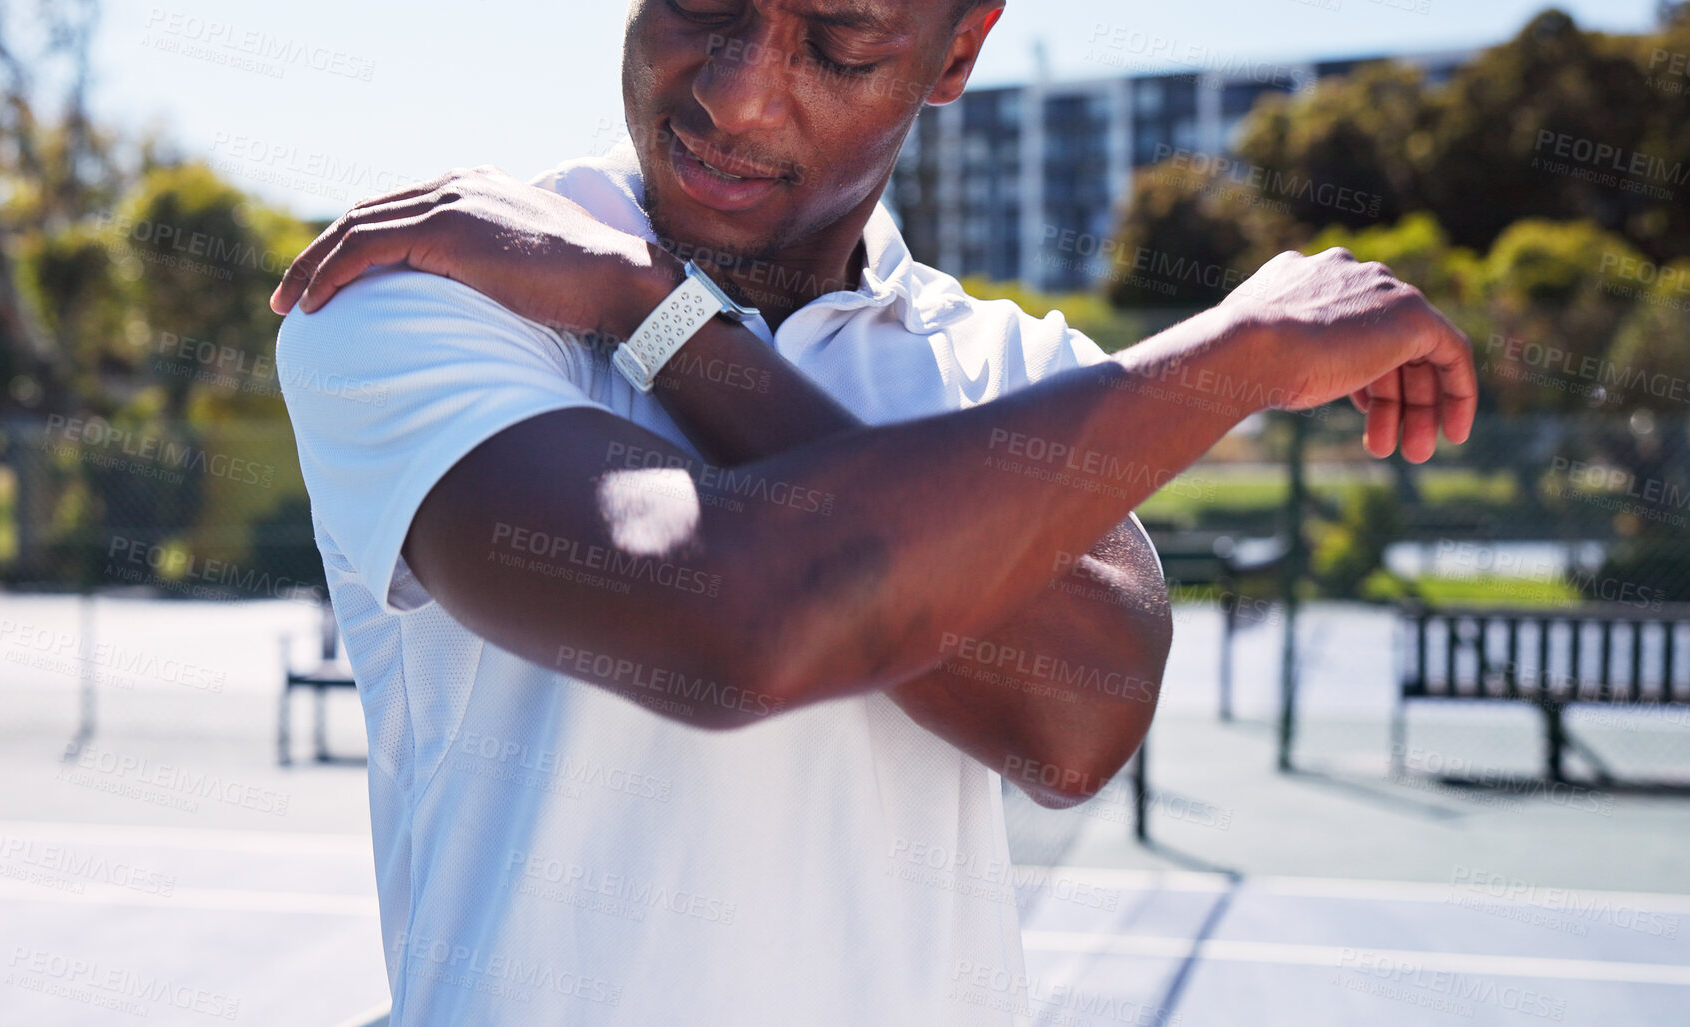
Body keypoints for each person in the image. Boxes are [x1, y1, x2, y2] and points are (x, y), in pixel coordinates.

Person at [269, 2, 1475, 1023]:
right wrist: (1244, 352)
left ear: (956, 54)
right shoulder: (436, 283)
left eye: (839, 43)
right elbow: (737, 622)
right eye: (705, 0)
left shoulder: (1011, 366)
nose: (737, 97)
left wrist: (654, 315)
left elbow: (1079, 719)